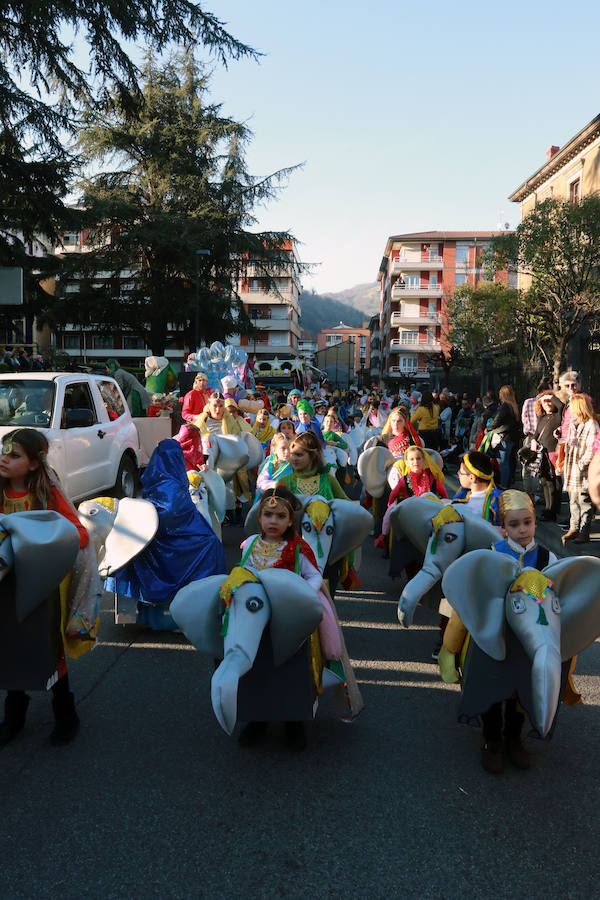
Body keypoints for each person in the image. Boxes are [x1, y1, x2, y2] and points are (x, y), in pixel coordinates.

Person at [226, 485, 362, 749]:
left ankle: (294, 724)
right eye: (268, 515)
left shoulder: (297, 547)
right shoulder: (251, 544)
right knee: (256, 669)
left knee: (291, 673)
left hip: (290, 620)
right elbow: (244, 572)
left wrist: (300, 592)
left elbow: (313, 576)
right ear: (259, 518)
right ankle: (256, 720)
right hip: (257, 622)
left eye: (280, 517)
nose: (273, 521)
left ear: (290, 521)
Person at [439, 490, 557, 774]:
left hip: (529, 639)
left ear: (535, 523)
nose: (522, 530)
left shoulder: (547, 558)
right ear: (503, 526)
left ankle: (514, 738)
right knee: (494, 689)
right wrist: (450, 645)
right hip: (495, 635)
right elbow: (473, 600)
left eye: (527, 522)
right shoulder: (491, 554)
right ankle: (492, 740)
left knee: (521, 691)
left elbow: (556, 600)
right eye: (514, 525)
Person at [0, 429, 95, 745]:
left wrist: (38, 540)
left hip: (43, 591)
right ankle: (13, 717)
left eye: (14, 455)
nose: (4, 458)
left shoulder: (47, 496)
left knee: (47, 651)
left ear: (32, 464)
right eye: (3, 451)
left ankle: (66, 716)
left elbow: (78, 535)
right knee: (9, 650)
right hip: (6, 589)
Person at [376, 445, 447, 549]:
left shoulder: (432, 478)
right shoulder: (403, 480)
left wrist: (445, 502)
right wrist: (390, 503)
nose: (415, 462)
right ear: (407, 463)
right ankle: (384, 535)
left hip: (428, 508)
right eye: (412, 459)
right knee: (390, 511)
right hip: (409, 508)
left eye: (418, 458)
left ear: (424, 460)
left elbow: (442, 491)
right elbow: (394, 493)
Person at [556, 393, 599, 544]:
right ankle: (574, 528)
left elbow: (592, 449)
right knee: (573, 500)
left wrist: (582, 464)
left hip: (583, 469)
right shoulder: (576, 423)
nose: (570, 410)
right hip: (572, 467)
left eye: (572, 407)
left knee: (584, 501)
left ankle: (584, 531)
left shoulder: (591, 424)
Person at [280, 431, 350, 501]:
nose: (294, 458)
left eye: (299, 455)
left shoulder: (328, 480)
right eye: (292, 454)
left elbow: (347, 504)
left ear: (313, 455)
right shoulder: (285, 481)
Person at [530, 392, 564, 521]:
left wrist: (548, 397)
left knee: (553, 482)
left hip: (553, 452)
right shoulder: (542, 417)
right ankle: (548, 508)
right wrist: (533, 440)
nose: (548, 404)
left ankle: (553, 511)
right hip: (542, 454)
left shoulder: (558, 415)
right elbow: (536, 433)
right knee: (544, 481)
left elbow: (561, 406)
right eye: (544, 402)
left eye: (550, 401)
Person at [483, 385, 520, 489]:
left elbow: (497, 420)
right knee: (508, 462)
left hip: (503, 438)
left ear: (503, 394)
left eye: (500, 393)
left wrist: (488, 429)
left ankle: (503, 485)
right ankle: (507, 483)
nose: (499, 395)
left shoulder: (505, 406)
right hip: (511, 438)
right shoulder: (514, 406)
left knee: (503, 463)